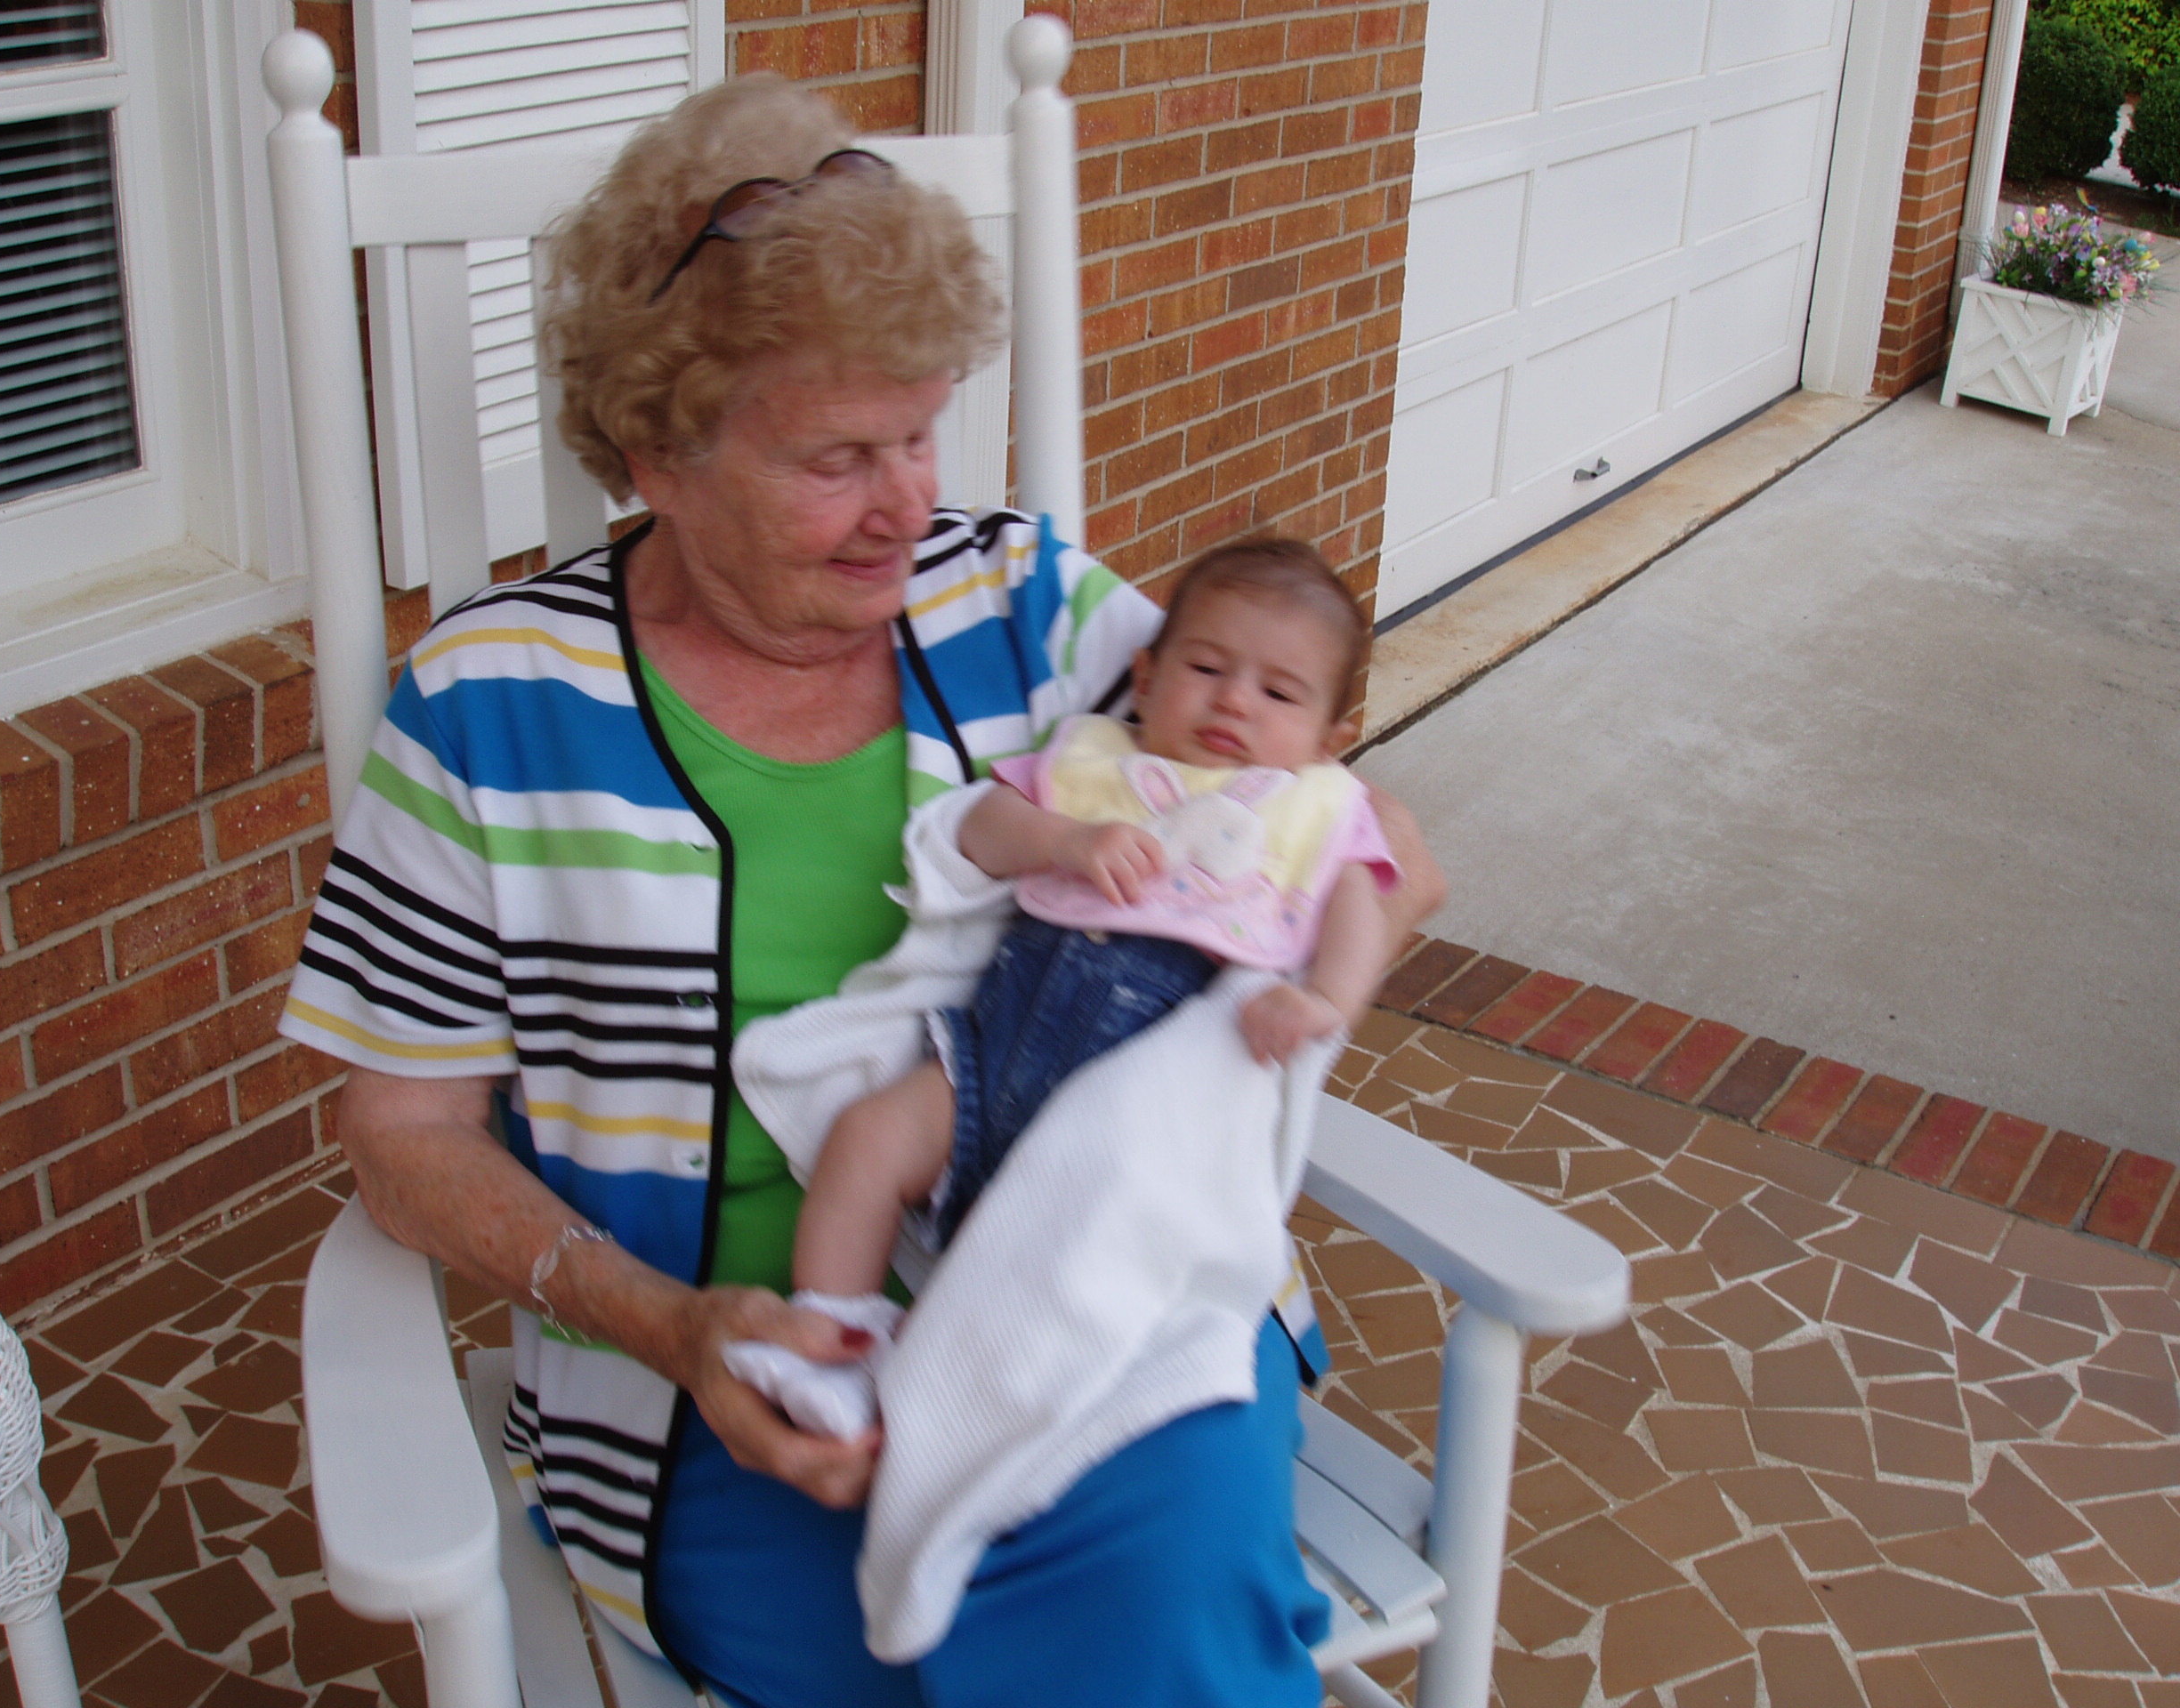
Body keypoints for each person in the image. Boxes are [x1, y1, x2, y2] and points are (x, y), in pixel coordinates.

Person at [278, 70, 1446, 1708]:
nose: (909, 504)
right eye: (838, 456)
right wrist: (669, 1325)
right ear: (656, 454)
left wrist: (1303, 961)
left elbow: (1352, 822)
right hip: (738, 1378)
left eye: (920, 431)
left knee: (1154, 1626)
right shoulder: (489, 706)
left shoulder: (1026, 601)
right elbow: (403, 1139)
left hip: (1108, 1305)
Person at [788, 538, 1404, 1325]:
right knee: (866, 1138)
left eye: (1279, 693)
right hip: (985, 1061)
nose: (1234, 702)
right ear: (1145, 678)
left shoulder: (1312, 810)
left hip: (1128, 1125)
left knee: (1065, 1287)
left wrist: (1326, 1002)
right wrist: (1067, 842)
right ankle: (825, 1331)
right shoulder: (1095, 763)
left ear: (1327, 741)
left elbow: (1359, 906)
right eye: (1206, 668)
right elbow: (981, 827)